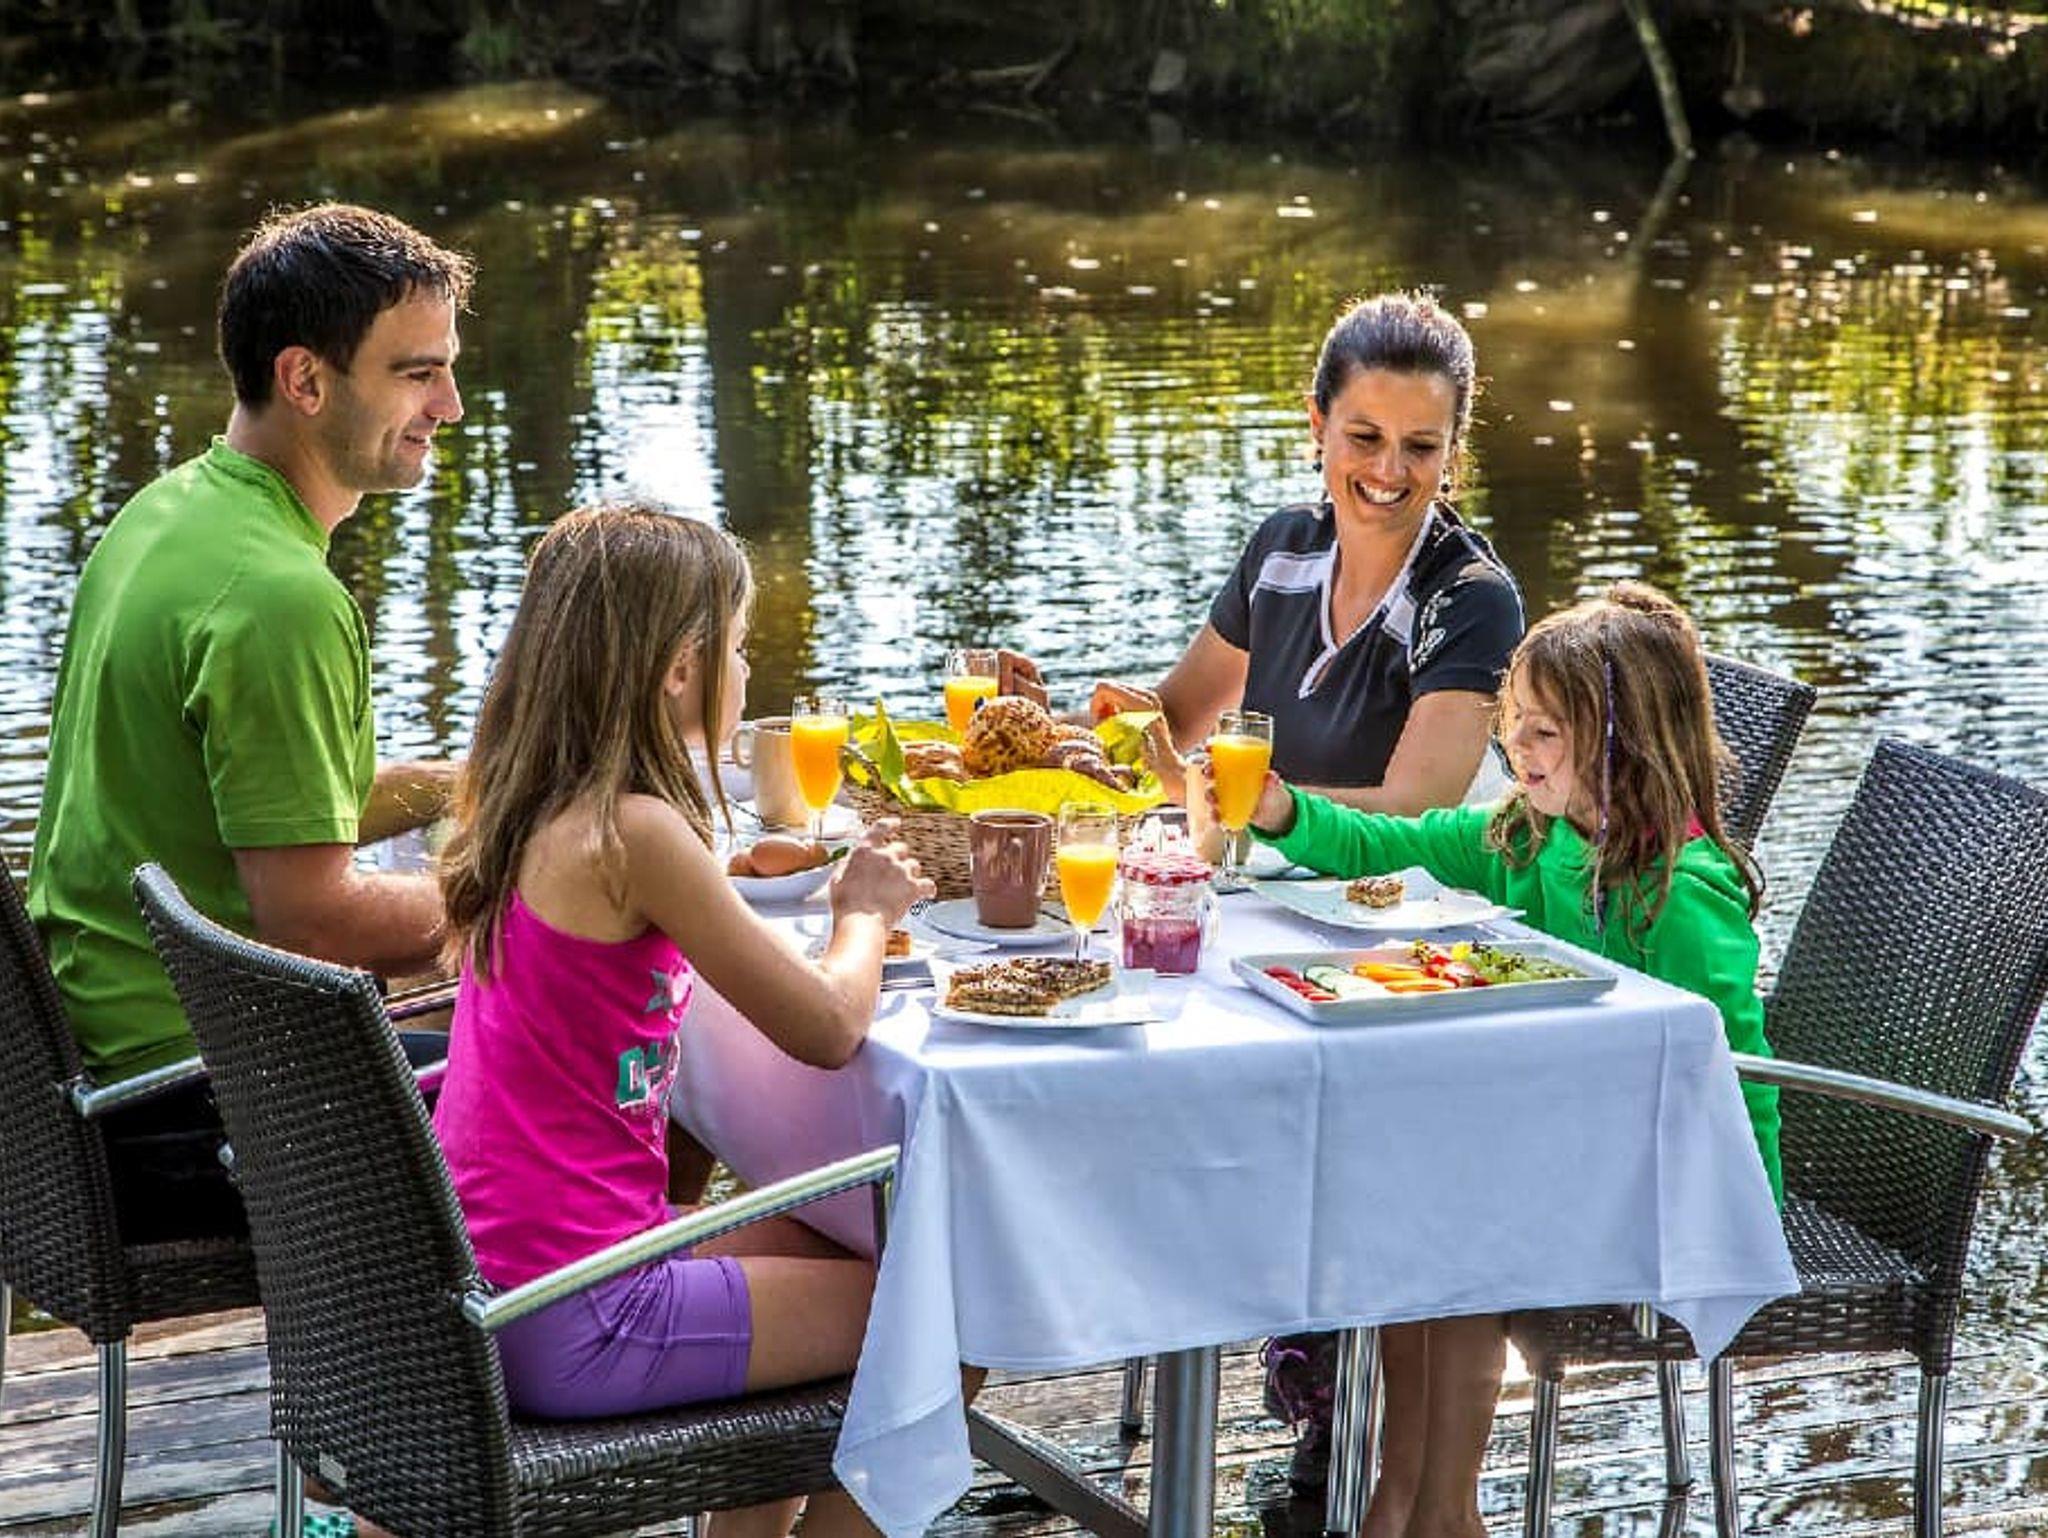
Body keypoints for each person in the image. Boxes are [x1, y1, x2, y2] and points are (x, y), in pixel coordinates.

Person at [432, 505, 949, 1538]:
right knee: (944, 1304)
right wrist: (861, 911)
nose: (747, 670)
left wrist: (731, 884)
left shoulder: (536, 802)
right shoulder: (636, 830)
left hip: (495, 1280)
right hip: (581, 1311)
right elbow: (826, 1027)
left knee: (829, 1233)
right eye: (740, 647)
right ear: (679, 668)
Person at [1237, 581, 1782, 1538]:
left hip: (1673, 1192)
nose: (1516, 751)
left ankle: (1438, 1514)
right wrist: (1282, 810)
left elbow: (1733, 1080)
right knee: (1415, 1201)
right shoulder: (1530, 837)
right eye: (1514, 725)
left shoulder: (1681, 895)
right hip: (1564, 1158)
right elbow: (1392, 842)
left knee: (1452, 1226)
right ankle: (1402, 1503)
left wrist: (1744, 1217)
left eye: (1544, 733)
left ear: (1622, 741)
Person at [27, 202, 472, 1243]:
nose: (448, 406)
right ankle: (565, 1339)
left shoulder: (170, 514)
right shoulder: (279, 599)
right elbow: (311, 919)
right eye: (417, 373)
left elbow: (279, 809)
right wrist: (526, 900)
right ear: (305, 379)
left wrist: (484, 787)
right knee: (620, 1069)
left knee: (530, 1024)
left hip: (98, 1071)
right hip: (192, 1105)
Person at [1010, 290, 1524, 815]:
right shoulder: (1282, 549)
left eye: (1421, 446)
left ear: (1453, 450)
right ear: (1318, 424)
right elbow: (1174, 722)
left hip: (1409, 874)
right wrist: (1036, 730)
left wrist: (1204, 790)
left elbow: (1414, 811)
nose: (1389, 470)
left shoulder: (1472, 601)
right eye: (1365, 437)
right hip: (1262, 863)